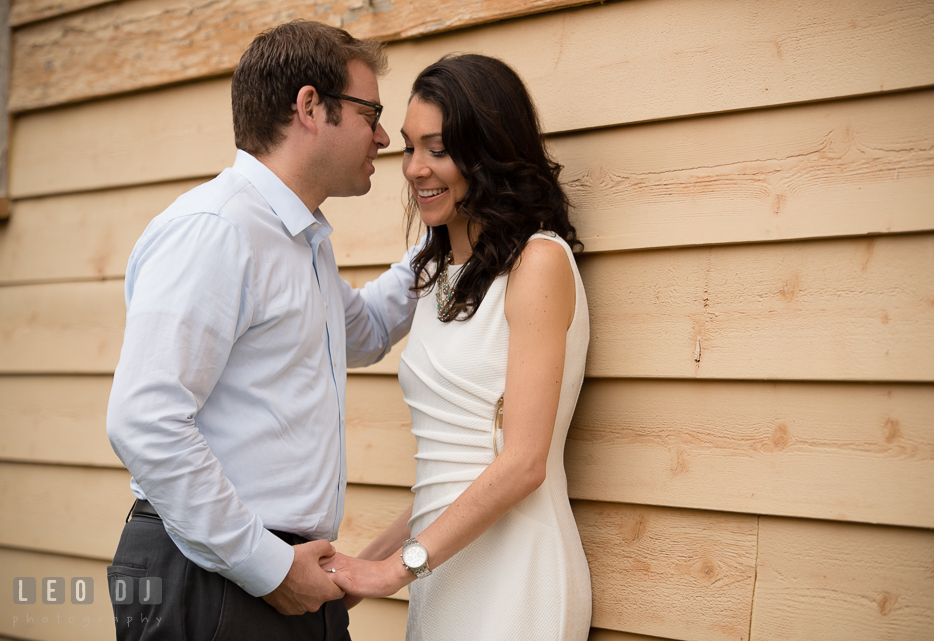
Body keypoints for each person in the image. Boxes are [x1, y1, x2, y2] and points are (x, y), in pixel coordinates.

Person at [105, 20, 419, 640]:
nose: (382, 136)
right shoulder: (217, 229)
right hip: (216, 576)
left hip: (278, 574)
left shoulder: (300, 240)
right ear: (310, 107)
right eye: (370, 112)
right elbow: (145, 419)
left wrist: (447, 234)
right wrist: (271, 569)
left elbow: (368, 329)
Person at [319, 54, 593, 640]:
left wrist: (396, 569)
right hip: (442, 568)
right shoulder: (437, 274)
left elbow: (521, 465)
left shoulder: (538, 263)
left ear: (487, 152)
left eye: (438, 149)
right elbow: (450, 477)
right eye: (409, 148)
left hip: (517, 570)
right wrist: (363, 568)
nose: (416, 168)